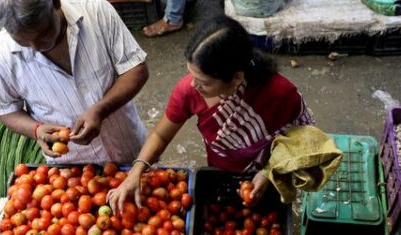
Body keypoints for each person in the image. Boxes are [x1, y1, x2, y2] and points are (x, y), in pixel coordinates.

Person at [108, 15, 315, 212]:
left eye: (204, 82)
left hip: (273, 169)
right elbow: (160, 135)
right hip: (221, 168)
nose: (193, 85)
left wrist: (270, 173)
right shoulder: (188, 91)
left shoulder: (279, 93)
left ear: (235, 78)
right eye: (191, 75)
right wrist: (136, 171)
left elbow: (304, 141)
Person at [0, 0, 149, 164]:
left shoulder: (96, 12)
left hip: (129, 148)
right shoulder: (1, 59)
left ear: (56, 4)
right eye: (22, 42)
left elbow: (136, 70)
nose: (35, 47)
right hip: (71, 170)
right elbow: (5, 109)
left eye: (43, 34)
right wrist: (36, 130)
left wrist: (101, 110)